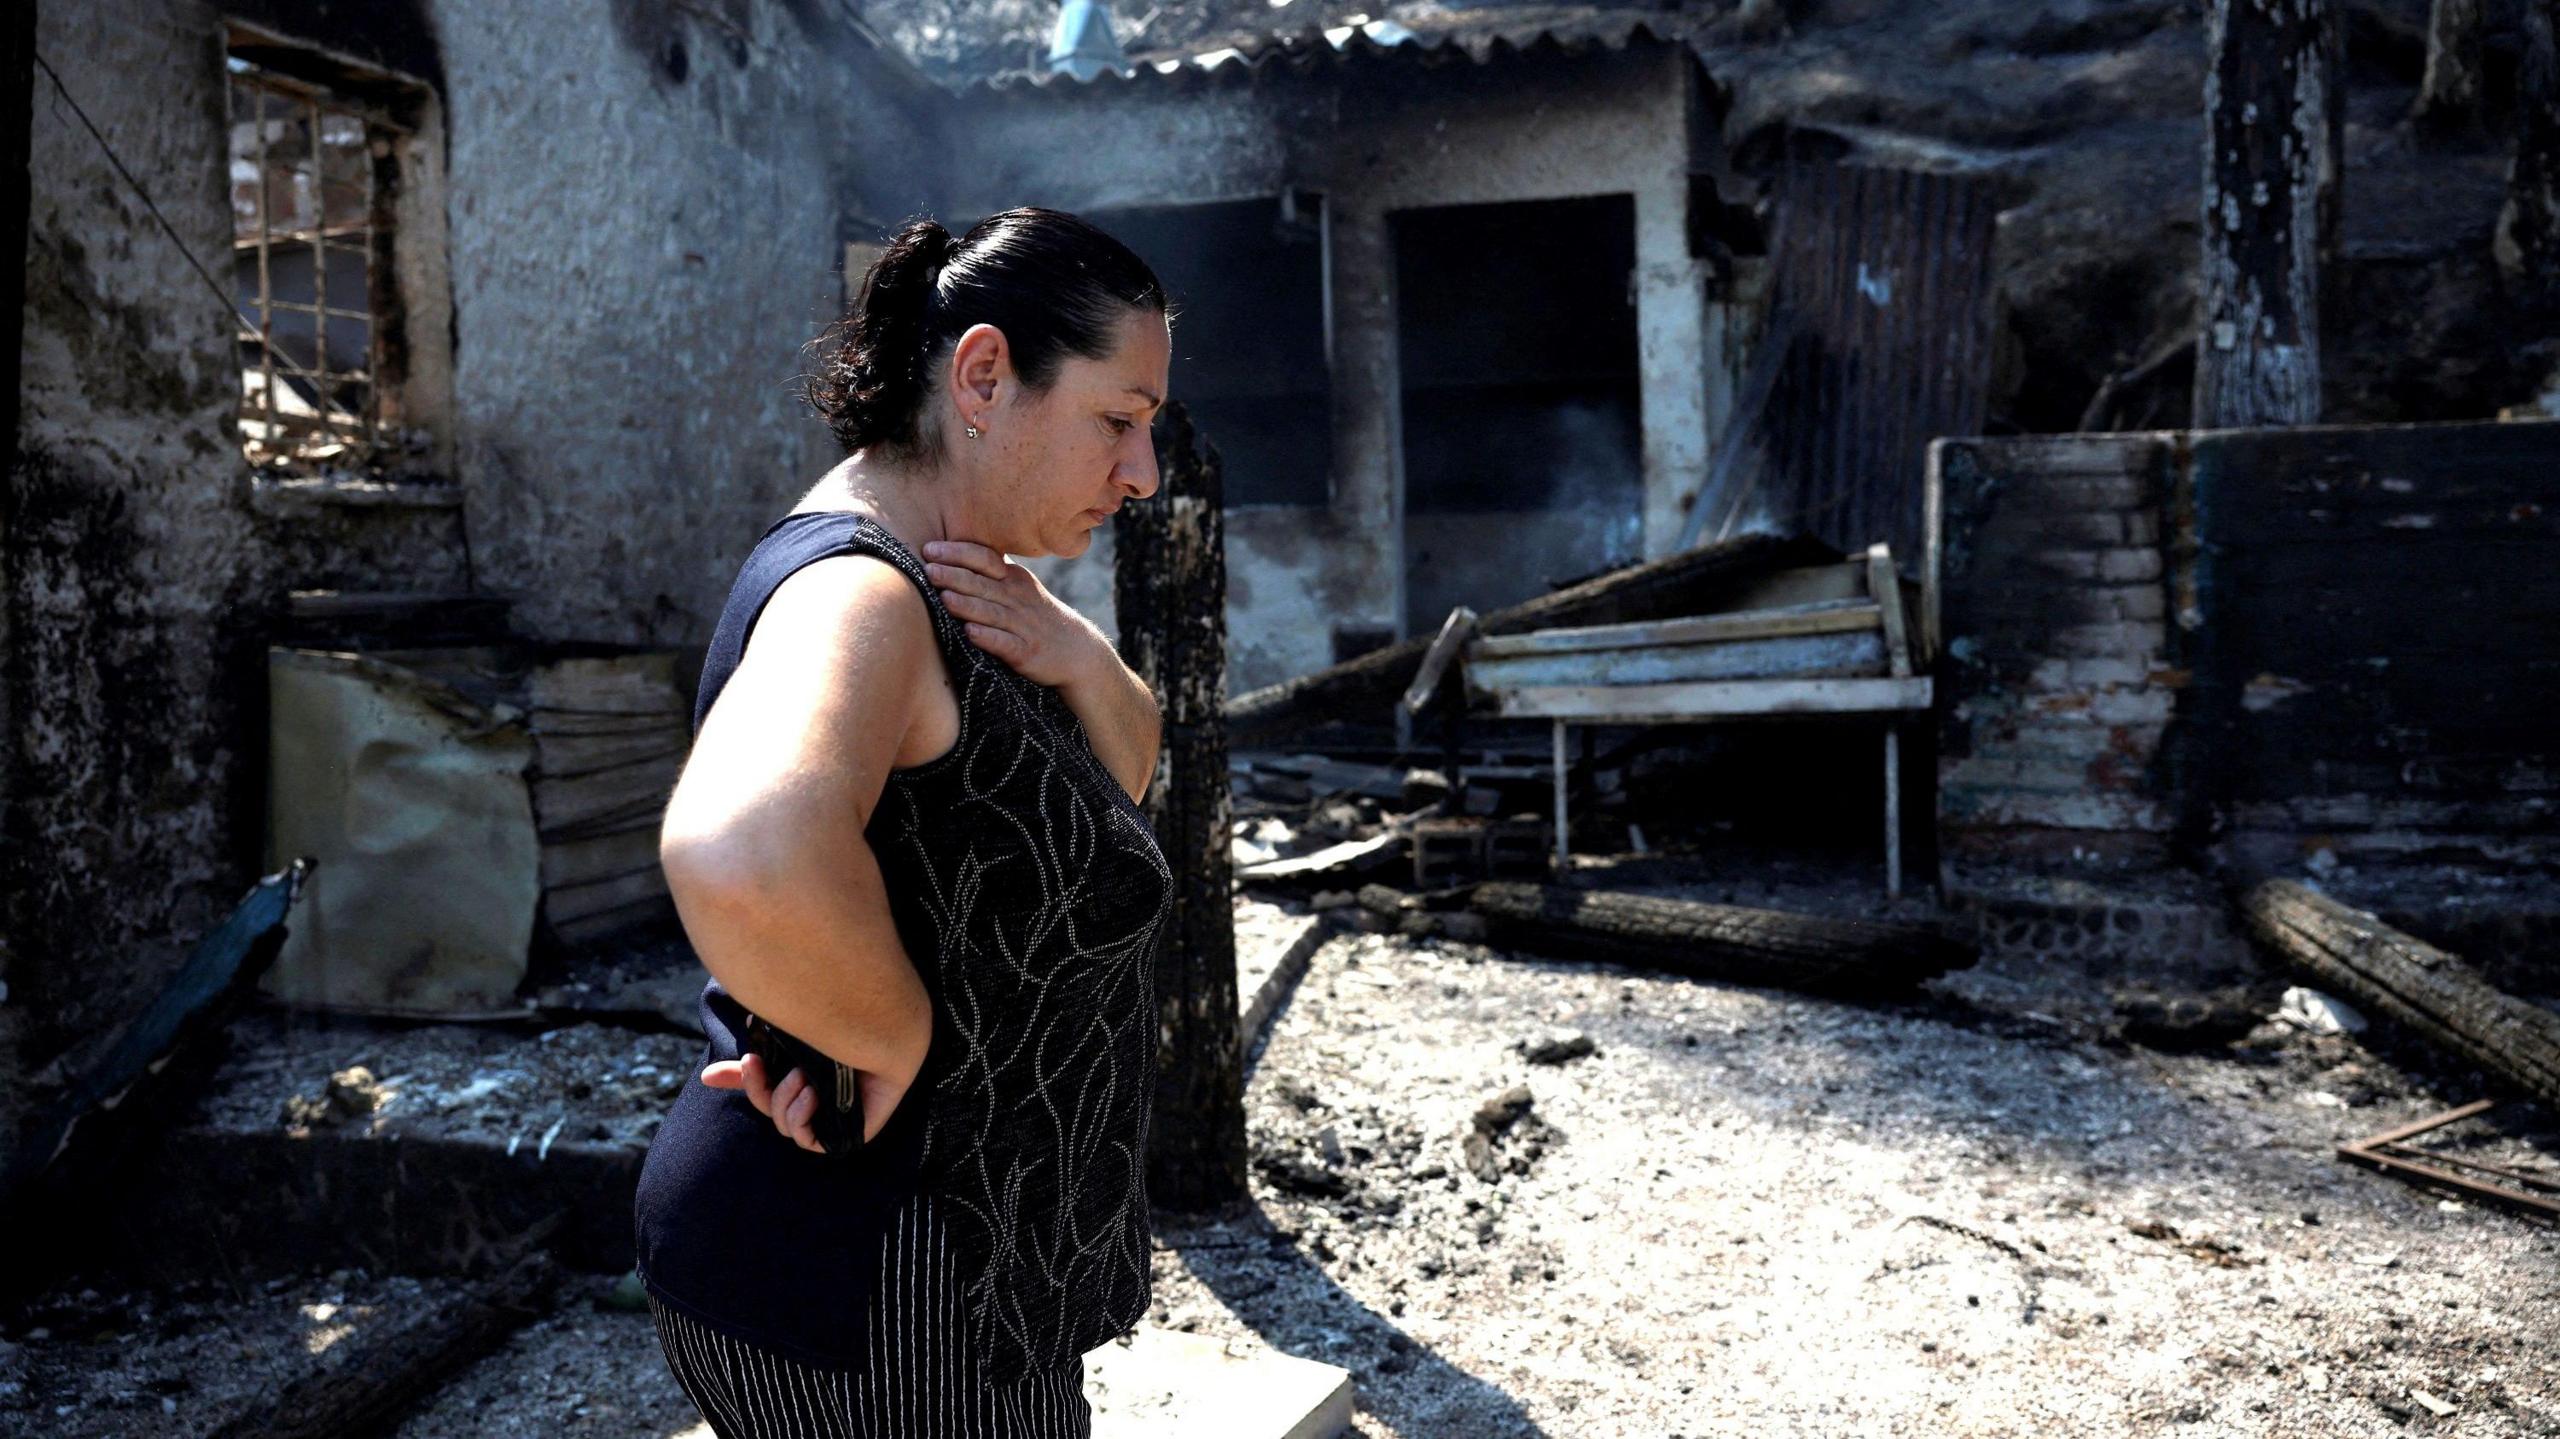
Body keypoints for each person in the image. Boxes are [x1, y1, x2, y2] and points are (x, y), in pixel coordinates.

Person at [632, 206, 1178, 1438]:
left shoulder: (961, 581)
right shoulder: (861, 593)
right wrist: (893, 1034)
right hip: (884, 1278)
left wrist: (1079, 656)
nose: (1143, 472)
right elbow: (742, 854)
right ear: (984, 374)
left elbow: (1116, 794)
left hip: (947, 1276)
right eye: (1118, 418)